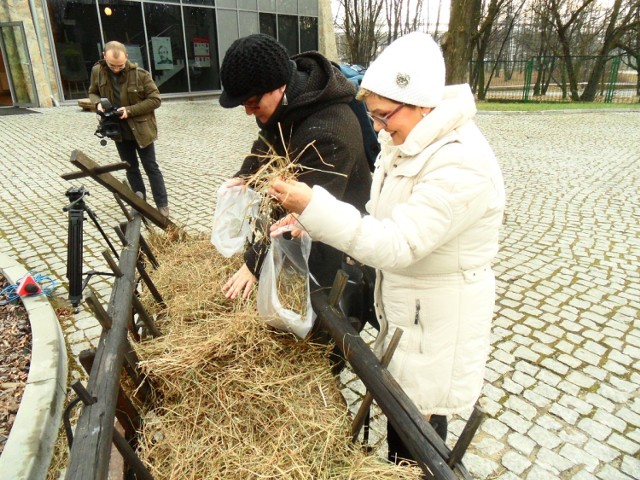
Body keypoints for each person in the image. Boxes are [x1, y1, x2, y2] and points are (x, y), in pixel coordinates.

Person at [268, 32, 506, 462]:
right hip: (408, 305)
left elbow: (398, 243)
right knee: (402, 417)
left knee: (419, 432)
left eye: (382, 115)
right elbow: (380, 220)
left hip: (438, 317)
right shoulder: (408, 143)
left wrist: (315, 205)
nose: (376, 127)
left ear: (419, 102)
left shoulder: (460, 162)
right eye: (372, 115)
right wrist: (312, 222)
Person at [217, 33, 373, 312]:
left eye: (253, 103)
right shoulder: (292, 100)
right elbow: (269, 140)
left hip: (337, 245)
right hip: (307, 232)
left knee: (325, 320)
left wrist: (253, 264)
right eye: (244, 106)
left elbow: (296, 214)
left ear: (278, 87)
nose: (249, 113)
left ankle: (333, 351)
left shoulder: (328, 133)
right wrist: (245, 176)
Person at [89, 40, 170, 217]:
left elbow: (155, 100)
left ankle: (162, 206)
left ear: (127, 57)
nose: (116, 69)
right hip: (118, 131)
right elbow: (93, 92)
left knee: (151, 167)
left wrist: (130, 110)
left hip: (142, 130)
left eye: (120, 65)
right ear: (104, 57)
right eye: (112, 65)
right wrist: (97, 104)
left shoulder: (141, 75)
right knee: (130, 168)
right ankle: (139, 203)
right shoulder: (98, 71)